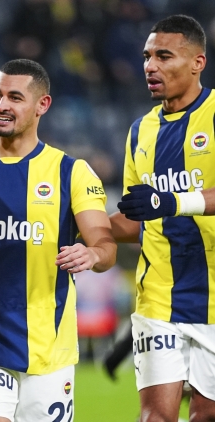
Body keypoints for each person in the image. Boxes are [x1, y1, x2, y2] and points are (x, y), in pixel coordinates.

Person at [0, 59, 116, 422]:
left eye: (15, 97)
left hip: (49, 348)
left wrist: (92, 254)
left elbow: (106, 246)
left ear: (42, 104)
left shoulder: (71, 172)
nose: (2, 105)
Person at [112, 14, 215, 422]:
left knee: (206, 415)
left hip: (213, 298)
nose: (150, 66)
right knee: (155, 418)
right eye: (146, 57)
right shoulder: (140, 132)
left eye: (164, 56)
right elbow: (136, 218)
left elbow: (163, 203)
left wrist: (172, 202)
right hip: (158, 298)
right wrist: (76, 226)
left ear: (197, 62)